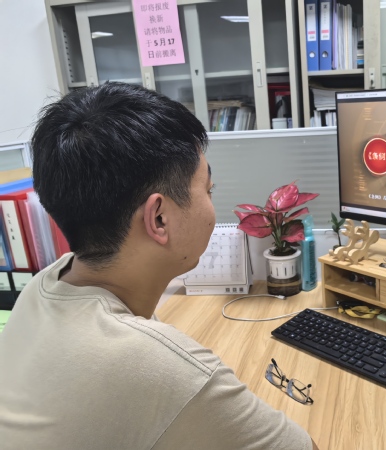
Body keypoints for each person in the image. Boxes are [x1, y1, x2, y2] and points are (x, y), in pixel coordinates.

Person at [0, 82, 318, 450]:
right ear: (160, 218)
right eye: (208, 189)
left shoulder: (44, 285)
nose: (212, 204)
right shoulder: (159, 368)